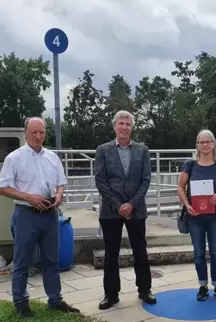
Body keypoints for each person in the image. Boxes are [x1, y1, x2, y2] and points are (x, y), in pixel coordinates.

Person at [0, 117, 80, 318]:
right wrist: (28, 197)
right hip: (26, 215)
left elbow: (61, 183)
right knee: (22, 261)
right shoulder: (14, 158)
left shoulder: (52, 157)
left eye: (41, 132)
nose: (38, 136)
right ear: (25, 132)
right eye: (34, 132)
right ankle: (21, 302)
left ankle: (55, 299)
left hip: (50, 215)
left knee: (52, 260)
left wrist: (59, 195)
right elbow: (2, 187)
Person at [94, 110, 156, 310]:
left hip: (136, 210)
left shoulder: (142, 150)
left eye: (127, 124)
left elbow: (146, 180)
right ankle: (111, 294)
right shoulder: (103, 150)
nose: (124, 127)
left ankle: (145, 289)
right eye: (120, 124)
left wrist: (132, 204)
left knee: (141, 252)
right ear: (114, 126)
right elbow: (101, 181)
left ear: (132, 127)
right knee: (111, 254)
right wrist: (118, 205)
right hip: (111, 211)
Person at [177, 130, 216, 301]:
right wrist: (187, 205)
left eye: (208, 141)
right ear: (198, 145)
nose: (205, 145)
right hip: (195, 217)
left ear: (214, 144)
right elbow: (180, 187)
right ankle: (202, 285)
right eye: (202, 142)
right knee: (199, 252)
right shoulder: (190, 165)